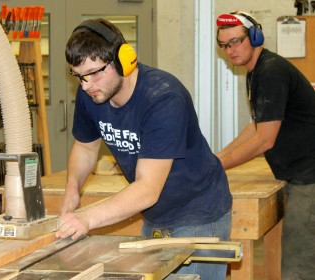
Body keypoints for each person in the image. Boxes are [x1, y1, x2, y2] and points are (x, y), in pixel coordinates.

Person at [56, 18, 232, 279]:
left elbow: (148, 189)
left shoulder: (163, 98)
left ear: (124, 60)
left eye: (94, 73)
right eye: (79, 76)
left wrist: (87, 218)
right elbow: (85, 146)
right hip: (155, 216)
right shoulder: (91, 94)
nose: (86, 85)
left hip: (198, 213)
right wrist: (72, 191)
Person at [216, 11, 315, 279]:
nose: (230, 50)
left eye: (236, 41)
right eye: (225, 45)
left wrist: (217, 165)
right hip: (298, 174)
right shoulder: (257, 71)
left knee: (299, 265)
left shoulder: (271, 72)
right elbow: (258, 125)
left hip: (309, 178)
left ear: (255, 37)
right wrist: (217, 157)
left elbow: (264, 139)